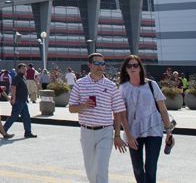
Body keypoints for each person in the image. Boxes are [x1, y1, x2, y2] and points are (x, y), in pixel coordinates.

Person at [68, 53, 133, 183]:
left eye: (102, 64)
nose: (100, 67)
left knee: (101, 168)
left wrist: (117, 135)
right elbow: (71, 108)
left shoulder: (111, 86)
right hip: (86, 131)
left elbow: (118, 111)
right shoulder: (80, 84)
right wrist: (84, 106)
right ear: (90, 65)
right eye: (97, 63)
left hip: (105, 132)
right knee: (90, 169)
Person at [118, 55, 174, 183]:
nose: (132, 68)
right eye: (129, 66)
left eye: (135, 65)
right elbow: (122, 114)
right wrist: (128, 134)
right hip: (134, 132)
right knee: (137, 168)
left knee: (150, 168)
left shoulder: (151, 84)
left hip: (154, 130)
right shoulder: (123, 88)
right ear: (125, 69)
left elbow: (163, 109)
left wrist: (169, 131)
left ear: (140, 68)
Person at [3, 63, 37, 138]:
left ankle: (28, 132)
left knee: (26, 116)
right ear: (18, 69)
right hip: (18, 100)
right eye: (22, 68)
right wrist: (13, 98)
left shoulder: (22, 77)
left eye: (25, 68)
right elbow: (13, 87)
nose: (24, 69)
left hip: (23, 101)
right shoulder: (17, 77)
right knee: (14, 116)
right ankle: (4, 129)